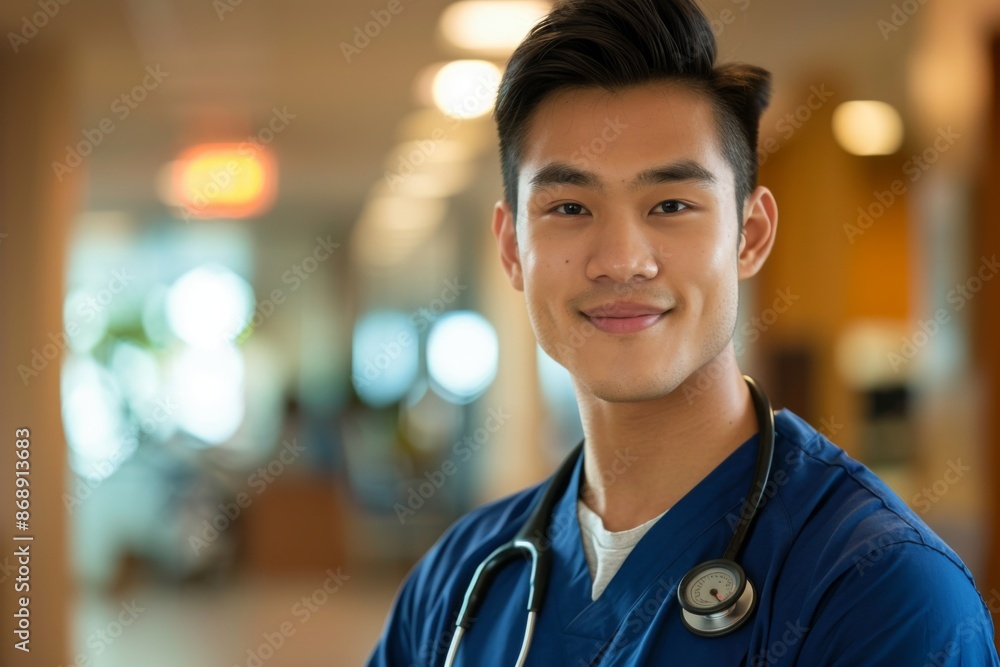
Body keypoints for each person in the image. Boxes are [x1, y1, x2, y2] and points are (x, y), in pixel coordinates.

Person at [367, 0, 1000, 664]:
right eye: (569, 206)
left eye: (671, 205)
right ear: (511, 247)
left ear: (750, 235)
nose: (620, 260)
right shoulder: (458, 584)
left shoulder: (878, 591)